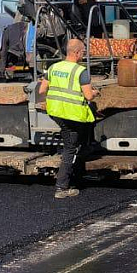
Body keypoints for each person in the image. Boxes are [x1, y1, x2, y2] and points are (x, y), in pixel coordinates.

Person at [39, 38, 99, 199]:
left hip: (56, 112)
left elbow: (41, 90)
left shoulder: (53, 67)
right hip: (72, 115)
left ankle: (76, 173)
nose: (84, 55)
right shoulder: (81, 71)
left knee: (71, 143)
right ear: (77, 53)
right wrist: (95, 92)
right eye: (83, 52)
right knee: (70, 148)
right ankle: (62, 187)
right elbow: (88, 96)